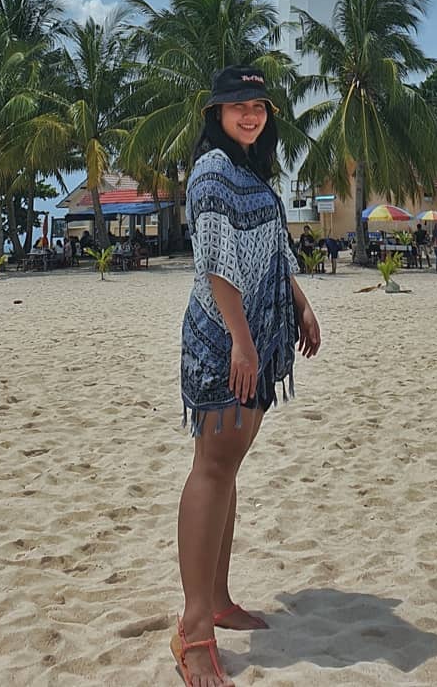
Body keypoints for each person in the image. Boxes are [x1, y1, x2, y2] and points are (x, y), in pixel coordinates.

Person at [174, 66, 321, 687]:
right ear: (216, 112)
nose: (251, 114)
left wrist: (301, 303)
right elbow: (216, 260)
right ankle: (193, 628)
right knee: (212, 468)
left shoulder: (252, 171)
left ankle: (221, 599)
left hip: (259, 338)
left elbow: (272, 249)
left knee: (226, 469)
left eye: (258, 105)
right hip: (224, 341)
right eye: (238, 105)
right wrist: (239, 339)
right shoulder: (211, 171)